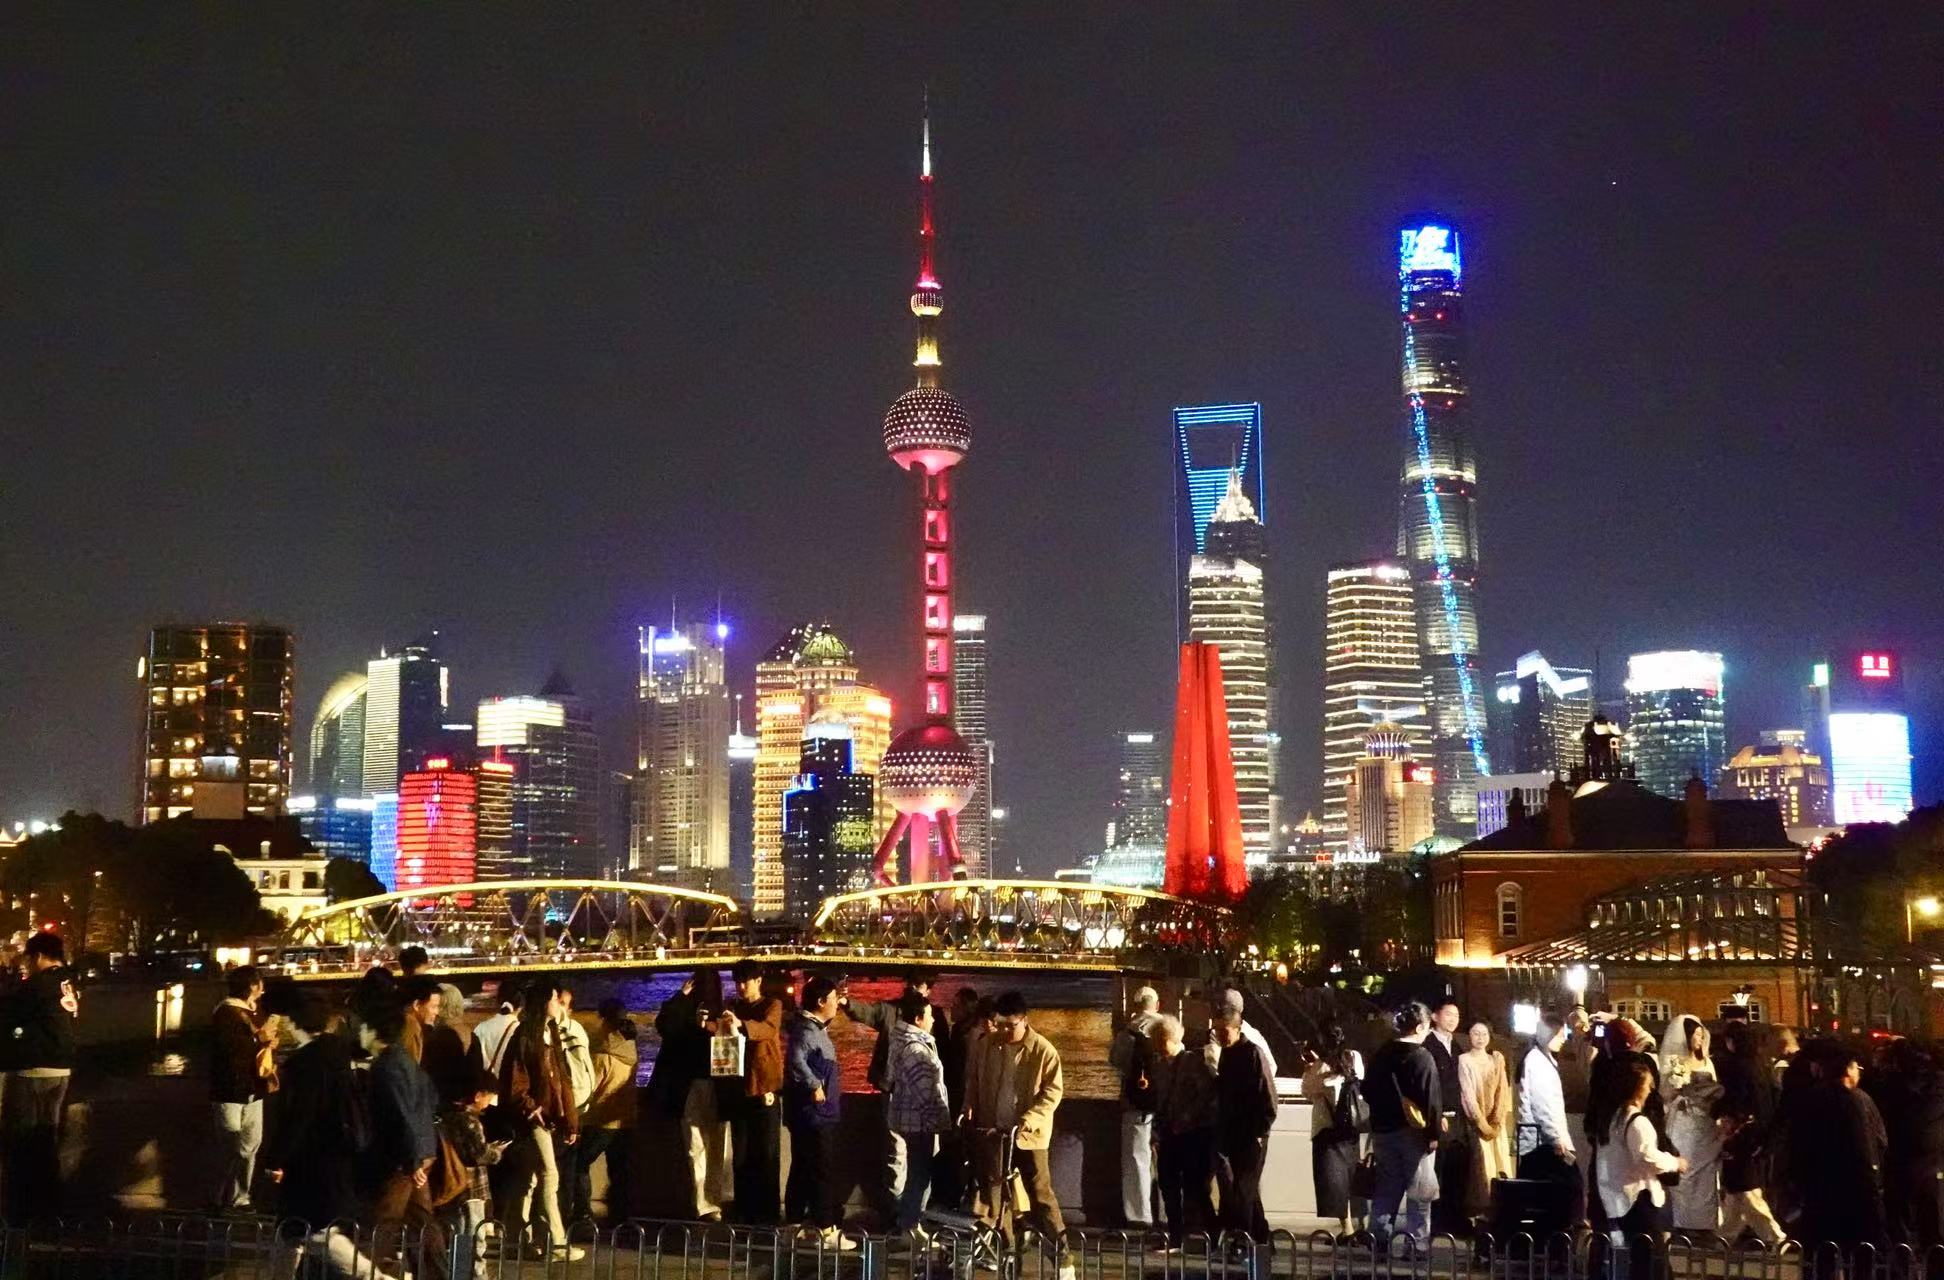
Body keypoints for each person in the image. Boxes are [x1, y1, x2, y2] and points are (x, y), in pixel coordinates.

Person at [265, 992, 395, 1280]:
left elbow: (298, 1116)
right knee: (293, 1231)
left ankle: (374, 1277)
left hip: (312, 1161)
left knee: (312, 1231)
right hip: (337, 1156)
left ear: (295, 1023)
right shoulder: (340, 1055)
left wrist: (276, 1158)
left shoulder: (305, 1063)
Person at [966, 991, 1070, 1274]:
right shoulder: (986, 1045)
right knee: (995, 1196)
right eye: (999, 1024)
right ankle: (1006, 1251)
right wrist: (968, 1106)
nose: (1004, 1031)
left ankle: (1062, 1260)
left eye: (1010, 1026)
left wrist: (1030, 1119)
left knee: (1041, 1196)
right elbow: (973, 1080)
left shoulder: (1043, 1050)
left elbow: (1052, 1093)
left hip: (1028, 1137)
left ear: (1024, 1020)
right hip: (994, 1132)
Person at [497, 978, 584, 1261]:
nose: (559, 1005)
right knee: (550, 1174)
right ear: (543, 1002)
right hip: (533, 1118)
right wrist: (531, 1107)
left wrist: (570, 1119)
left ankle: (515, 1240)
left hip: (547, 1117)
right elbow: (516, 1081)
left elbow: (561, 1079)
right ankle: (556, 1242)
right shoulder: (526, 1035)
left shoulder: (550, 1033)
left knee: (529, 1178)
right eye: (555, 999)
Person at [365, 995, 451, 1280]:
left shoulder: (386, 1066)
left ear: (374, 1031)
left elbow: (400, 1113)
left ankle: (372, 1273)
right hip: (422, 1150)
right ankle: (436, 1274)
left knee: (383, 1221)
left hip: (403, 1157)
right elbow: (430, 1099)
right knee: (420, 1220)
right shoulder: (405, 1060)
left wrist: (412, 1160)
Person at [842, 968, 938, 1212]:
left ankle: (911, 1211)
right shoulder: (891, 1010)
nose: (913, 989)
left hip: (916, 1097)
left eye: (919, 985)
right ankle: (900, 1210)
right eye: (911, 983)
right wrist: (847, 1003)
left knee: (914, 1155)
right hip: (895, 1092)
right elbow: (867, 1012)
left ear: (928, 990)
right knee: (898, 1153)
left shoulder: (929, 1016)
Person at [0, 931, 78, 1224]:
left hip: (33, 1069)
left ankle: (22, 1211)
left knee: (21, 1140)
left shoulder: (38, 985)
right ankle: (49, 1207)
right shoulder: (67, 983)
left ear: (40, 956)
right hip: (61, 1069)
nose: (27, 965)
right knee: (46, 1137)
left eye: (29, 959)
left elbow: (8, 1013)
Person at [1590, 1057, 1687, 1280]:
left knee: (1637, 1263)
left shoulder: (1612, 1119)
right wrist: (1675, 1163)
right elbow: (1647, 1156)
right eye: (1647, 1084)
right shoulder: (1636, 1121)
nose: (1650, 1089)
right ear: (1635, 1087)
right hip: (1640, 1201)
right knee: (1651, 1263)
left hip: (1619, 1199)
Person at [1790, 1043, 1887, 1253]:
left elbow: (1797, 1146)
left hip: (1818, 1191)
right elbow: (1869, 1148)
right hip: (1852, 1192)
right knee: (1859, 1256)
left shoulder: (1809, 1098)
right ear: (1848, 1069)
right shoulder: (1856, 1101)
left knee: (1821, 1256)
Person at [652, 968, 730, 1221]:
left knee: (695, 1147)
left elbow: (663, 1025)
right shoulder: (723, 1011)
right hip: (716, 1085)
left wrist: (681, 997)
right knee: (717, 1145)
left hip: (688, 1086)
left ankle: (702, 1202)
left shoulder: (685, 1012)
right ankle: (715, 1200)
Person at [1365, 1002, 1440, 1254]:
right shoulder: (1421, 1057)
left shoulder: (1382, 1053)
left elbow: (1367, 1090)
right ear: (1419, 1027)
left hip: (1383, 1131)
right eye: (1427, 1026)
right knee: (1419, 1192)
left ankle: (1377, 1238)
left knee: (1387, 1187)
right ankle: (1416, 1244)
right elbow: (1431, 1099)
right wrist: (1432, 1134)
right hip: (1413, 1133)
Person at [782, 976, 851, 1246]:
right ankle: (826, 1229)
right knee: (822, 1170)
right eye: (834, 999)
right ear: (821, 1002)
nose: (837, 1004)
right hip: (817, 1113)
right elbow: (795, 1060)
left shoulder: (808, 1026)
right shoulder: (808, 1031)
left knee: (801, 1167)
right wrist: (814, 1085)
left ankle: (794, 1224)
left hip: (808, 1113)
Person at [720, 959, 784, 1225]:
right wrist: (707, 1024)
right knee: (742, 1153)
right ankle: (744, 1208)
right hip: (738, 1088)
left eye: (745, 981)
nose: (741, 986)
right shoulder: (733, 1007)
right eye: (737, 982)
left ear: (759, 981)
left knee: (766, 1153)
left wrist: (741, 1024)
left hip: (764, 1087)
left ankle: (768, 1211)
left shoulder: (772, 1005)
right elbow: (720, 1029)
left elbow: (768, 1029)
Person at [887, 990, 952, 1235]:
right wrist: (938, 1120)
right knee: (920, 1175)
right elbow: (926, 1091)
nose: (933, 1020)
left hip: (907, 1119)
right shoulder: (917, 1050)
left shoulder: (900, 1042)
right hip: (920, 1122)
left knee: (915, 1173)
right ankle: (910, 1226)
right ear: (918, 1019)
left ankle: (910, 1225)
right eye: (929, 1015)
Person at [1212, 1005, 1277, 1243]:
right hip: (1235, 1132)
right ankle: (1261, 1239)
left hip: (1251, 1134)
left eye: (1224, 1030)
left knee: (1243, 1189)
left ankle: (1243, 1240)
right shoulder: (1228, 1054)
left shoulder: (1253, 1054)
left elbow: (1268, 1096)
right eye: (1217, 1030)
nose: (1220, 1035)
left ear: (1237, 1029)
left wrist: (1261, 1130)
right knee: (1247, 1189)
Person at [210, 964, 273, 1211]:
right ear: (252, 986)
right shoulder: (226, 1013)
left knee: (249, 1146)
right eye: (259, 982)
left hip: (251, 1089)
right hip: (231, 1091)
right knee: (231, 1147)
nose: (262, 987)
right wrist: (260, 1040)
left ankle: (240, 1197)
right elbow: (229, 1052)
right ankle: (220, 1197)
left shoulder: (253, 1011)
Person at [1151, 1015, 1217, 1247]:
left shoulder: (1192, 1061)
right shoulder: (1160, 1065)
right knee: (1168, 1185)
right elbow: (1160, 1099)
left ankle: (1213, 1235)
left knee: (1196, 1186)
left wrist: (1188, 1117)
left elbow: (1205, 1095)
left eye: (1158, 1040)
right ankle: (1176, 1236)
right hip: (1169, 1133)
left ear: (1170, 1038)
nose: (1155, 1046)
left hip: (1192, 1135)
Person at [437, 1068, 510, 1269]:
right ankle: (474, 1273)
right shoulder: (469, 1121)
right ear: (478, 1095)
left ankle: (457, 1271)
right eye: (489, 1097)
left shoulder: (447, 1116)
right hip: (471, 1188)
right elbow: (478, 1154)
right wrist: (496, 1151)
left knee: (457, 1234)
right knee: (473, 1236)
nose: (489, 1103)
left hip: (453, 1185)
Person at [573, 999, 636, 1225]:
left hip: (601, 1119)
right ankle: (620, 1216)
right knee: (619, 1170)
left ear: (603, 1019)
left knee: (579, 1164)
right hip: (625, 1119)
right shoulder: (630, 1049)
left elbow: (590, 1087)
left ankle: (582, 1214)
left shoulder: (602, 1053)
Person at [1659, 1015, 1724, 1234]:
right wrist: (1679, 1090)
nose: (1700, 1039)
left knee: (1706, 1172)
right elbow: (1665, 1093)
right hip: (1684, 1120)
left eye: (1701, 1035)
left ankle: (1705, 1223)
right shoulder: (1675, 1061)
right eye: (1696, 1035)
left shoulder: (1707, 1062)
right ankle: (1683, 1221)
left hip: (1705, 1121)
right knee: (1685, 1173)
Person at [1301, 1021, 1366, 1236]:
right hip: (1351, 1126)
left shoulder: (1319, 1067)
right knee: (1351, 1176)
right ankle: (1358, 1227)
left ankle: (1347, 1229)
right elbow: (1360, 1082)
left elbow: (1307, 1092)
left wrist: (1309, 1068)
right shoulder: (1354, 1057)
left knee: (1334, 1181)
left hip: (1326, 1128)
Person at [1516, 1006, 1581, 1215]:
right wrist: (1555, 1139)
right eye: (1559, 1034)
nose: (1563, 1039)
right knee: (1563, 1191)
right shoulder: (1537, 1062)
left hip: (1544, 1142)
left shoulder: (1543, 1060)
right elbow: (1542, 1105)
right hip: (1543, 1144)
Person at [1108, 986, 1164, 1228]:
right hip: (1164, 1106)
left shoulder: (1127, 1034)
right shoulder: (1167, 1028)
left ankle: (1139, 1216)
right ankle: (1168, 1214)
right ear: (1157, 1005)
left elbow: (1115, 1061)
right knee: (1167, 1162)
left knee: (1136, 1161)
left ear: (1134, 1007)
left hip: (1135, 1106)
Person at [1458, 1019, 1514, 1219]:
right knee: (1481, 1166)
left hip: (1496, 1123)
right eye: (1475, 1033)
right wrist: (1481, 1122)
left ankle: (1501, 1207)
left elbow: (1503, 1090)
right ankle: (1481, 1210)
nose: (1480, 1038)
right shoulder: (1464, 1060)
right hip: (1477, 1124)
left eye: (1484, 1034)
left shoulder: (1496, 1060)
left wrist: (1497, 1120)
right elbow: (1467, 1095)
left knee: (1500, 1163)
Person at [1423, 998, 1469, 1235]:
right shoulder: (1427, 1045)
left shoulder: (1457, 1045)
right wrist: (1436, 1113)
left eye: (1456, 1015)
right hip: (1437, 1116)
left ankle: (1454, 1219)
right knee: (1437, 1171)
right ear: (1435, 1016)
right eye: (1448, 1014)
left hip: (1457, 1117)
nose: (1453, 1019)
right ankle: (1436, 1222)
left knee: (1456, 1169)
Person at [470, 983, 521, 1078]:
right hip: (509, 1083)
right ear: (521, 1006)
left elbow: (476, 1061)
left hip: (489, 1084)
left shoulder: (481, 1028)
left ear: (498, 1001)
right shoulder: (520, 1030)